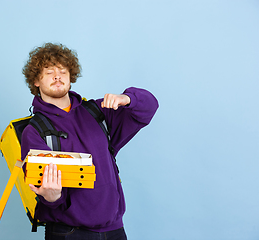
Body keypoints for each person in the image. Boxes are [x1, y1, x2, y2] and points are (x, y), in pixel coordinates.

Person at [21, 43, 159, 240]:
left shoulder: (98, 111)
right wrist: (51, 196)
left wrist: (127, 98)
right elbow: (48, 194)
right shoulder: (34, 131)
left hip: (115, 230)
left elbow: (149, 107)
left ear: (71, 76)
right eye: (49, 72)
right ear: (36, 80)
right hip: (68, 233)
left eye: (63, 70)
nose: (57, 76)